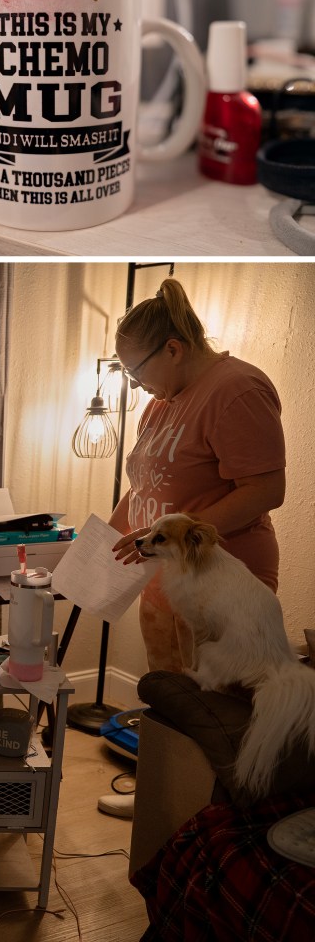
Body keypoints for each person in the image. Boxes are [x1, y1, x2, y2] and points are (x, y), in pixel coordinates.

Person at [100, 278, 286, 818]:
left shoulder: (237, 390)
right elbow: (146, 482)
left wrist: (174, 540)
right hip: (164, 581)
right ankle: (160, 797)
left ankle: (204, 816)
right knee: (168, 695)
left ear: (174, 349)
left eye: (137, 372)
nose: (137, 385)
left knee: (214, 707)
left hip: (221, 581)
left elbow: (265, 489)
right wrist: (105, 540)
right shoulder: (164, 402)